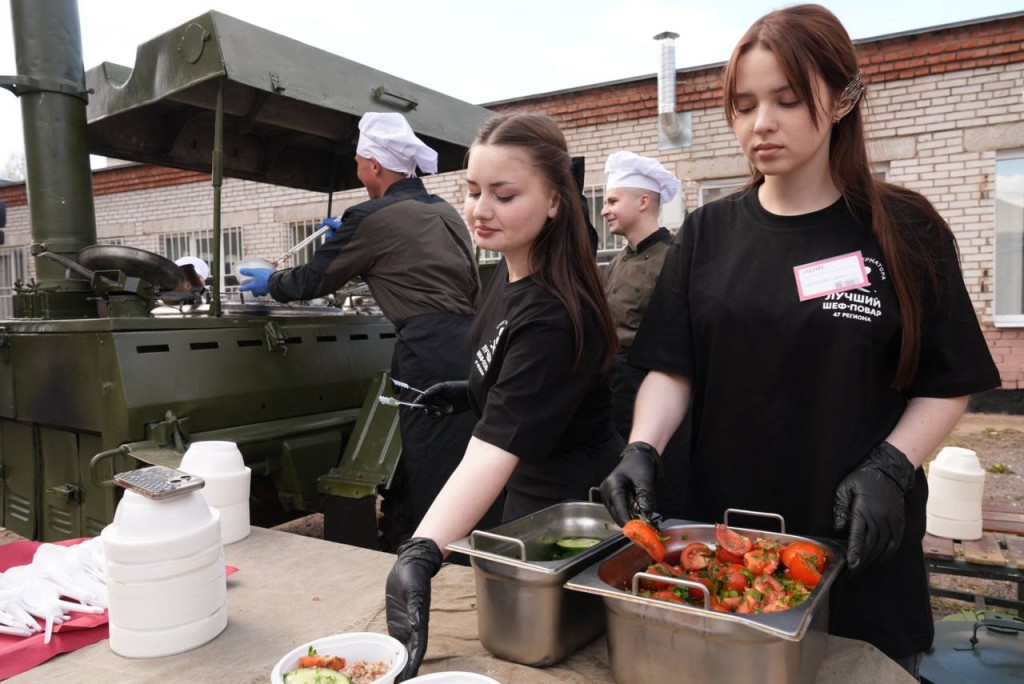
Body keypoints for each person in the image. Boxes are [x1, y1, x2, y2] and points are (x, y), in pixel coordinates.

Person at [599, 4, 1000, 679]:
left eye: (787, 99)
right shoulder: (708, 234)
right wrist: (643, 446)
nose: (761, 123)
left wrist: (893, 466)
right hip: (724, 538)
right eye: (744, 104)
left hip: (857, 539)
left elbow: (946, 378)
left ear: (843, 99)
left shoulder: (906, 229)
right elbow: (673, 367)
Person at [385, 112, 622, 679]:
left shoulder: (554, 314)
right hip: (526, 506)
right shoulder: (508, 277)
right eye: (471, 190)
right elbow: (512, 376)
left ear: (555, 202)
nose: (479, 209)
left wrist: (423, 549)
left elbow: (492, 448)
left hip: (570, 523)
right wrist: (469, 393)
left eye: (504, 193)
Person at [238, 112, 486, 549]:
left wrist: (269, 284)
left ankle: (437, 559)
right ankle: (454, 544)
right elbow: (405, 265)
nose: (358, 170)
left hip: (426, 350)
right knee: (457, 456)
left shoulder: (371, 215)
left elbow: (313, 280)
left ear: (373, 165)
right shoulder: (443, 210)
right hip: (470, 344)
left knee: (429, 460)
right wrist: (352, 235)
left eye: (358, 161)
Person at [601, 151, 689, 517]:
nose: (604, 210)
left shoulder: (677, 257)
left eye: (611, 201)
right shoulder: (616, 261)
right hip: (614, 389)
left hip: (654, 390)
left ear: (643, 201)